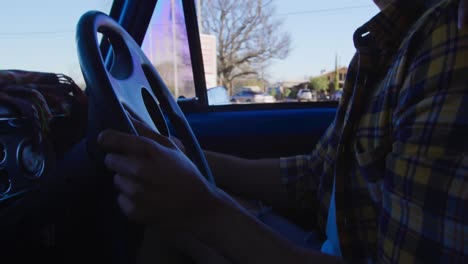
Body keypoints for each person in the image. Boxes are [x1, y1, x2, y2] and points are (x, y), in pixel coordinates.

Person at [98, 0, 468, 263]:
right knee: (165, 215)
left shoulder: (449, 40)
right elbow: (313, 175)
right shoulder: (387, 45)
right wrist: (187, 156)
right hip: (325, 245)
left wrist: (202, 210)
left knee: (170, 219)